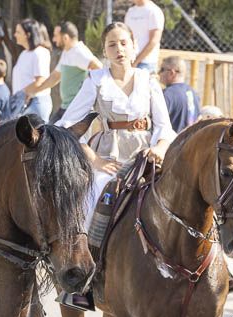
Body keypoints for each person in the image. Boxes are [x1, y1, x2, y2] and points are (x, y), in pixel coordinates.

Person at [56, 21, 174, 225]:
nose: (119, 49)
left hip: (146, 155)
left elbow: (164, 125)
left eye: (123, 43)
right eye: (112, 45)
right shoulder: (96, 80)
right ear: (104, 50)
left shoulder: (148, 80)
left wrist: (160, 148)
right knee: (96, 197)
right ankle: (91, 251)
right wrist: (95, 160)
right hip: (109, 156)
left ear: (133, 45)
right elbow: (70, 124)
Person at [31, 21, 100, 123]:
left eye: (56, 36)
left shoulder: (79, 52)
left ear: (65, 38)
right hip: (66, 106)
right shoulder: (67, 52)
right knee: (50, 130)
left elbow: (98, 67)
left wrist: (87, 88)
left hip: (76, 109)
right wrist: (36, 90)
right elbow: (55, 76)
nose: (53, 39)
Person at [10, 18, 52, 119]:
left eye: (18, 32)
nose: (15, 34)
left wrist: (22, 94)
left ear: (28, 35)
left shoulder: (40, 53)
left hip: (35, 104)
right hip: (24, 104)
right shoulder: (24, 53)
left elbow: (41, 80)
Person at [158, 55, 199, 132]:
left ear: (172, 73)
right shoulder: (193, 92)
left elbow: (157, 122)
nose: (159, 73)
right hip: (190, 140)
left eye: (162, 69)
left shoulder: (168, 94)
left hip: (174, 141)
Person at [123, 0, 163, 72]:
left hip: (146, 63)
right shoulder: (130, 11)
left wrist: (136, 61)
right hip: (130, 61)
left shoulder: (154, 11)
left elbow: (154, 41)